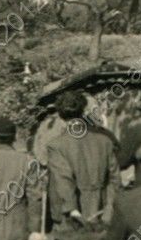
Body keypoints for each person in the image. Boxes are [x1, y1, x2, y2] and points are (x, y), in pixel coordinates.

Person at [45, 90, 120, 228]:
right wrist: (109, 209)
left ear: (60, 116)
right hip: (101, 212)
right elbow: (114, 179)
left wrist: (73, 211)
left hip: (71, 217)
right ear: (82, 111)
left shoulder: (56, 145)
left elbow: (63, 179)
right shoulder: (105, 141)